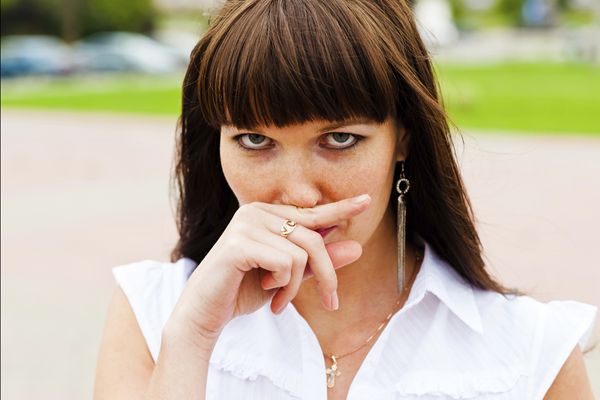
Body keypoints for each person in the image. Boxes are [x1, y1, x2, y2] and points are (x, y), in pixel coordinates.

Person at [93, 1, 597, 399]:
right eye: (253, 140)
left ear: (403, 138)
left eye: (338, 140)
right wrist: (194, 335)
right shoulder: (155, 311)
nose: (297, 192)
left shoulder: (532, 351)